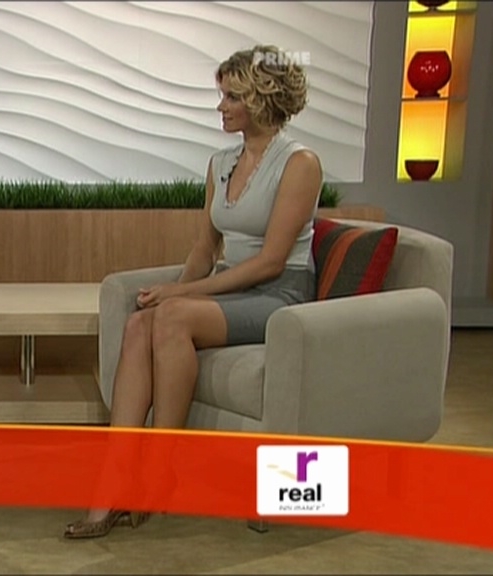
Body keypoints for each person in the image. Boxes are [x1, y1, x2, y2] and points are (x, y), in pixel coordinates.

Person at [64, 45, 324, 539]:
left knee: (173, 316)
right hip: (231, 289)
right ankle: (113, 484)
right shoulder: (221, 162)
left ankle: (160, 470)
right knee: (141, 322)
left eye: (232, 97)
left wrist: (182, 298)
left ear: (260, 98)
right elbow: (206, 248)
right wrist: (175, 290)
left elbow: (271, 261)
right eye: (222, 96)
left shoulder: (300, 163)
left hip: (279, 295)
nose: (221, 106)